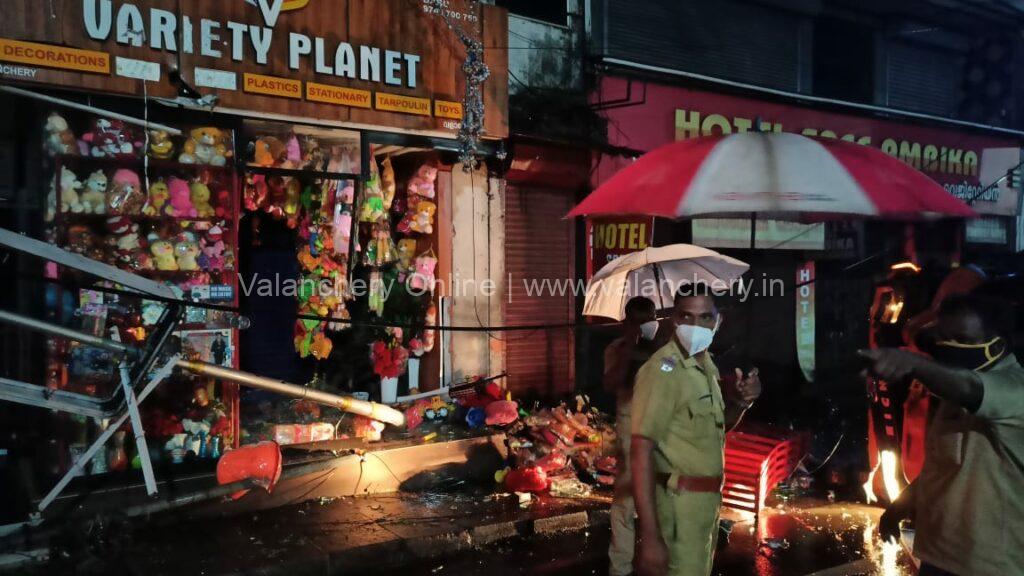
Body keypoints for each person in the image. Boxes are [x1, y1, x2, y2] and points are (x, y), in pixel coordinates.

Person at [860, 294, 1024, 576]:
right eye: (945, 337)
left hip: (991, 565)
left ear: (997, 344)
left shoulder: (1013, 389)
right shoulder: (952, 393)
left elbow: (971, 389)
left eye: (963, 338)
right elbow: (944, 467)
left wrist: (913, 364)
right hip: (938, 557)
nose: (951, 347)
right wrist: (899, 508)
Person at [631, 284, 762, 576]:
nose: (695, 325)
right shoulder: (663, 369)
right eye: (686, 317)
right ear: (674, 320)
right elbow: (640, 452)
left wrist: (741, 403)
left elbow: (718, 427)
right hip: (676, 509)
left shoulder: (706, 366)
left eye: (705, 317)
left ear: (718, 321)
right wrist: (651, 538)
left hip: (705, 508)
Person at [605, 296, 660, 576]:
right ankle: (620, 567)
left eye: (648, 319)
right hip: (631, 427)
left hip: (661, 428)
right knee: (626, 499)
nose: (644, 325)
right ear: (627, 323)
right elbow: (612, 383)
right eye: (637, 321)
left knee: (662, 497)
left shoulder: (665, 349)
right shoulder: (617, 349)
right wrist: (630, 348)